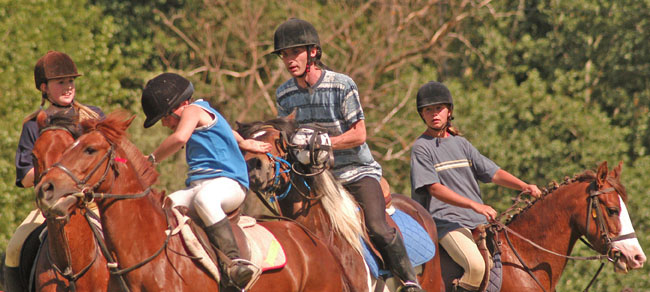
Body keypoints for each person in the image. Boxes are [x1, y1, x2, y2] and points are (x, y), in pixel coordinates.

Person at [271, 18, 423, 291]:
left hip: (355, 171)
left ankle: (409, 281)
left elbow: (359, 134)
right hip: (314, 177)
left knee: (377, 226)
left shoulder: (342, 85)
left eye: (294, 52)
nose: (288, 60)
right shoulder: (284, 94)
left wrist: (324, 142)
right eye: (284, 55)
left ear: (313, 52)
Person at [410, 81, 542, 292]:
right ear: (422, 115)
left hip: (476, 221)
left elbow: (493, 173)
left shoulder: (461, 144)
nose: (434, 114)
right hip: (444, 223)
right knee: (476, 266)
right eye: (428, 110)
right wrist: (475, 205)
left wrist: (523, 185)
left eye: (438, 108)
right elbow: (434, 188)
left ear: (449, 111)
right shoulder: (421, 148)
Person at [140, 72, 255, 289]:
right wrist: (245, 143)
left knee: (205, 200)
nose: (165, 124)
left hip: (229, 183)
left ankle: (235, 263)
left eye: (165, 117)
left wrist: (152, 159)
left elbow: (180, 138)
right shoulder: (203, 115)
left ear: (180, 105)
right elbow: (228, 131)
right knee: (163, 206)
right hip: (197, 186)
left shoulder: (193, 109)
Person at [6, 51, 105, 292]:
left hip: (93, 204)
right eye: (60, 82)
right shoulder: (33, 124)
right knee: (14, 248)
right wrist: (50, 176)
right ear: (44, 87)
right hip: (50, 207)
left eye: (71, 81)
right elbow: (26, 176)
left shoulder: (93, 116)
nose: (68, 87)